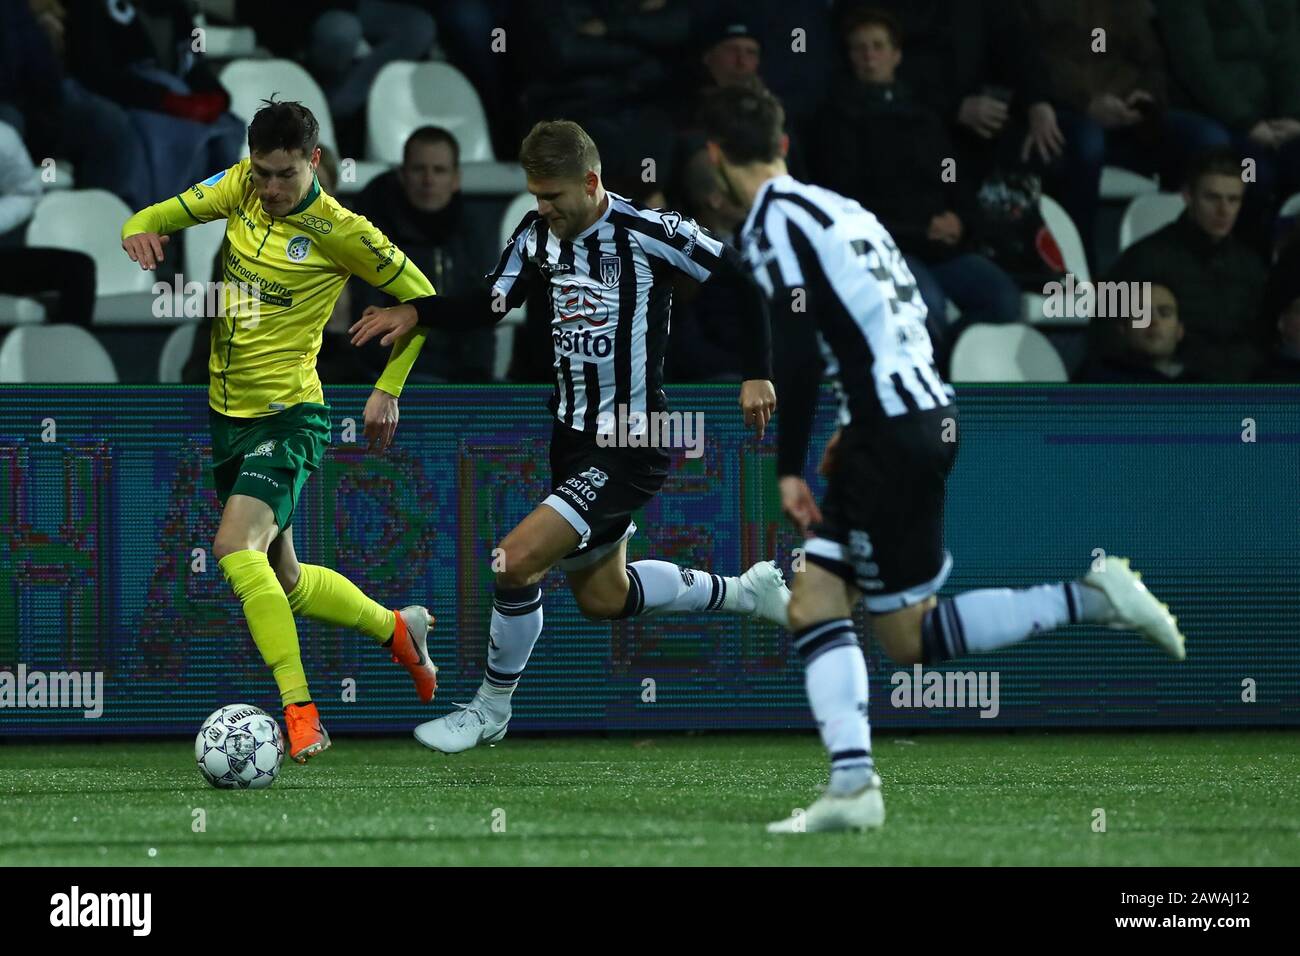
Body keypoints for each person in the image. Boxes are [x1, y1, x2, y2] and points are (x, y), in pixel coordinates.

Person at [698, 83, 1186, 833]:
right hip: (918, 413)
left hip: (891, 429)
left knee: (909, 637)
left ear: (715, 155)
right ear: (784, 143)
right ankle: (853, 788)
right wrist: (873, 413)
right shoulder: (844, 209)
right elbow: (915, 310)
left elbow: (793, 353)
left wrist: (790, 465)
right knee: (816, 602)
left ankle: (1091, 599)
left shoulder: (767, 229)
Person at [348, 119, 790, 754]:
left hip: (635, 439)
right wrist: (418, 310)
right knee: (605, 597)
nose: (542, 207)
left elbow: (744, 280)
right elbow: (491, 304)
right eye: (534, 194)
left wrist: (758, 374)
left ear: (590, 181)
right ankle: (744, 593)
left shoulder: (647, 232)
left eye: (552, 195)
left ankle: (489, 709)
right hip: (572, 439)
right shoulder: (536, 236)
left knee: (514, 559)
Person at [120, 100, 439, 764]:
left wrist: (388, 388)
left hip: (290, 419)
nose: (268, 189)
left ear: (314, 162)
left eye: (283, 175)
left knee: (234, 547)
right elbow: (158, 214)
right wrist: (138, 228)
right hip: (226, 417)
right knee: (283, 576)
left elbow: (424, 302)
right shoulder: (238, 187)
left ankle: (301, 712)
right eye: (262, 173)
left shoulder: (342, 230)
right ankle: (396, 629)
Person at [811, 7, 1021, 369]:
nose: (869, 56)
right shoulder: (834, 121)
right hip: (892, 248)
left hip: (943, 247)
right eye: (859, 48)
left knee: (1003, 300)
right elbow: (846, 204)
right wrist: (919, 229)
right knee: (926, 307)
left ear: (897, 54)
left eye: (878, 46)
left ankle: (956, 366)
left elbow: (952, 177)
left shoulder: (925, 114)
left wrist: (960, 222)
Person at [1107, 148, 1268, 382]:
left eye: (1233, 200)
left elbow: (1264, 338)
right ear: (1187, 196)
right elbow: (1107, 336)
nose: (1224, 211)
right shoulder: (1146, 257)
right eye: (1212, 198)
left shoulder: (1250, 265)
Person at [349, 126, 495, 382]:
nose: (429, 180)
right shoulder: (369, 231)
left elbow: (482, 315)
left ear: (456, 179)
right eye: (419, 169)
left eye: (439, 170)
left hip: (462, 379)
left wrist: (475, 379)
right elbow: (367, 327)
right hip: (389, 376)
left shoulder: (473, 233)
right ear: (403, 175)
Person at [1074, 284, 1199, 383]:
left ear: (1180, 330)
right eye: (1141, 314)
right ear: (1123, 327)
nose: (1154, 321)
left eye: (1165, 313)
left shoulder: (1202, 386)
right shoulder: (1096, 381)